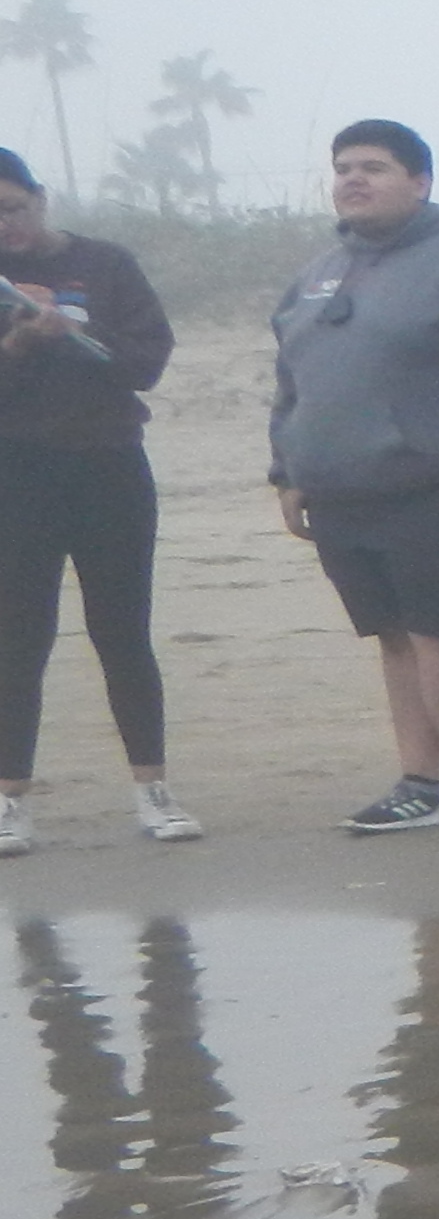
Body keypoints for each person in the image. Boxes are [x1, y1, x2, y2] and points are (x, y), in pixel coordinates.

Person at [268, 120, 439, 833]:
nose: (354, 179)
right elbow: (291, 379)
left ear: (419, 182)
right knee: (392, 636)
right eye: (344, 167)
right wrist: (285, 471)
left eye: (374, 168)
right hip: (339, 493)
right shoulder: (318, 272)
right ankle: (420, 781)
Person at [0, 149, 200, 854]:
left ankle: (153, 788)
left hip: (109, 465)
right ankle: (10, 799)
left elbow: (147, 362)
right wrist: (22, 340)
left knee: (122, 630)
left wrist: (74, 329)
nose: (7, 225)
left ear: (39, 199)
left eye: (14, 208)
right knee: (19, 636)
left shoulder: (106, 264)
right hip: (16, 474)